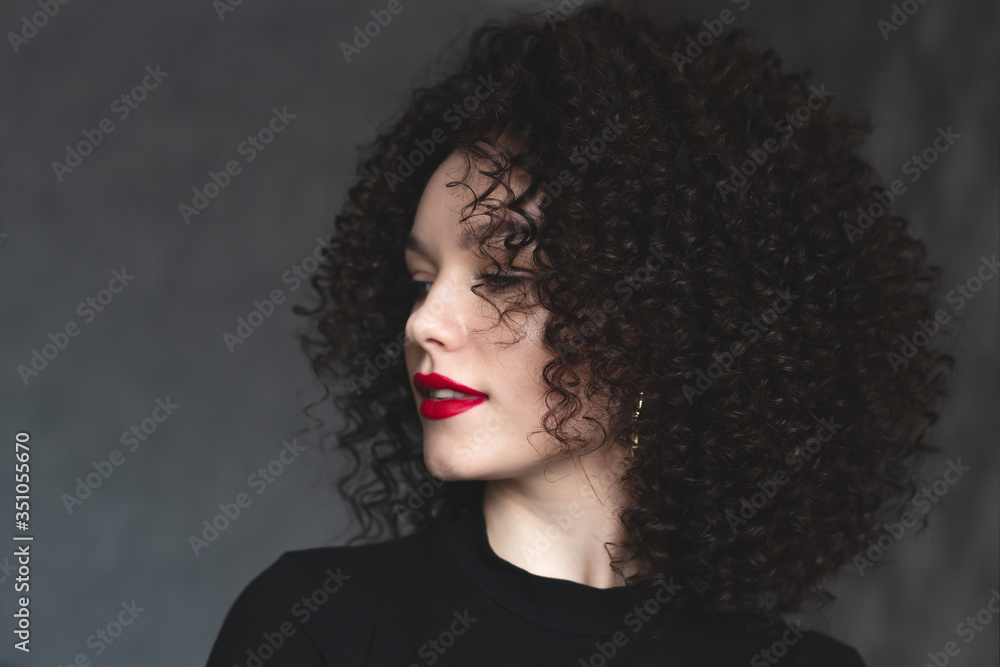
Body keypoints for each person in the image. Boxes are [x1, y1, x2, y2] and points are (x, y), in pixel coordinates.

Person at [205, 1, 953, 664]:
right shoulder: (316, 624)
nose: (424, 322)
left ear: (659, 313)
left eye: (501, 275)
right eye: (420, 279)